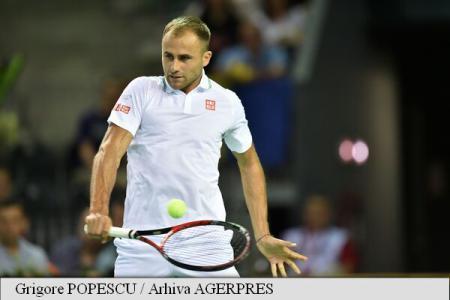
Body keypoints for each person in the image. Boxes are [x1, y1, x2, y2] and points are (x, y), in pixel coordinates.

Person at [85, 16, 307, 277]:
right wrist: (98, 210)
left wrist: (263, 235)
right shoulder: (140, 90)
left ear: (206, 58)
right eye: (168, 56)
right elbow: (109, 151)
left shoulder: (228, 102)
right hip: (143, 245)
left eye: (184, 58)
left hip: (207, 243)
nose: (174, 66)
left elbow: (249, 164)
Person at [281, 195, 358, 276]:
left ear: (328, 215)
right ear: (304, 215)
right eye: (311, 213)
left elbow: (349, 268)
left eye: (319, 213)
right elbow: (280, 265)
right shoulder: (291, 236)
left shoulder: (340, 237)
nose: (315, 217)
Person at [0, 200, 50, 276]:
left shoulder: (37, 255)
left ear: (24, 222)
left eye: (15, 221)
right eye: (4, 221)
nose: (9, 226)